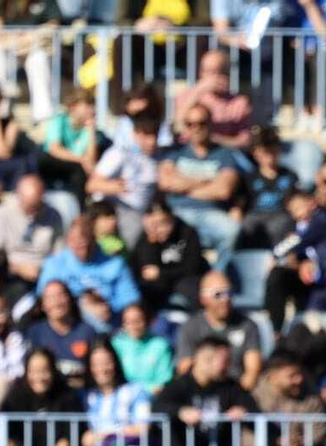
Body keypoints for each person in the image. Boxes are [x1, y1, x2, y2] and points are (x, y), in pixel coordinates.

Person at [155, 107, 242, 267]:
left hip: (211, 213)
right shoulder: (175, 152)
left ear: (210, 124)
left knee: (232, 230)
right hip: (178, 212)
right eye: (190, 124)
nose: (196, 128)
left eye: (201, 123)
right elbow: (166, 182)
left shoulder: (224, 154)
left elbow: (223, 191)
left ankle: (217, 277)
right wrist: (208, 182)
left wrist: (184, 186)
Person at [265, 183, 326, 332]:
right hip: (321, 278)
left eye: (298, 208)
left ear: (312, 203)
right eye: (292, 211)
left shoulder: (320, 220)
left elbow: (300, 241)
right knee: (312, 310)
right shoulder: (301, 226)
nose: (296, 214)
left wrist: (277, 253)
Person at [152, 335, 259, 446]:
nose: (228, 367)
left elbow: (255, 411)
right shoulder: (178, 384)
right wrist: (180, 411)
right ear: (205, 359)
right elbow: (158, 406)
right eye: (225, 361)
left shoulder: (231, 386)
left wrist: (243, 411)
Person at [177, 272, 264, 389]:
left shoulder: (247, 325)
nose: (225, 299)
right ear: (203, 299)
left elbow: (253, 370)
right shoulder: (191, 327)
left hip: (237, 391)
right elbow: (185, 368)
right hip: (202, 392)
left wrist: (236, 397)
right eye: (218, 294)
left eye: (229, 293)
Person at [87, 114, 162, 248]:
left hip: (143, 212)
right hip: (116, 208)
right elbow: (92, 185)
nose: (152, 141)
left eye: (154, 135)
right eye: (146, 135)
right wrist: (113, 187)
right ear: (135, 134)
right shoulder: (120, 154)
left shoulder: (158, 158)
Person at [37, 218, 140, 315]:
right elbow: (44, 300)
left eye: (87, 245)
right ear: (69, 240)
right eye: (78, 246)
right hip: (70, 322)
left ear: (95, 240)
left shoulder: (115, 265)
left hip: (109, 323)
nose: (84, 251)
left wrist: (107, 307)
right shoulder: (55, 265)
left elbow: (130, 303)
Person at [0, 174, 64, 286]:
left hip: (44, 274)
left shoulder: (53, 215)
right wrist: (19, 269)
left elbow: (58, 254)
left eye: (37, 206)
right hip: (9, 274)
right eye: (30, 206)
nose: (34, 212)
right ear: (18, 196)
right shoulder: (1, 214)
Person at [1, 349, 85, 446]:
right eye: (34, 371)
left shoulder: (67, 395)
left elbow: (72, 432)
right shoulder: (15, 396)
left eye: (44, 371)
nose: (39, 377)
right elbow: (6, 433)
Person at [82, 340, 152, 446]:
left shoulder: (136, 390)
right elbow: (86, 439)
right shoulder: (88, 397)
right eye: (96, 365)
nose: (102, 369)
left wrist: (109, 433)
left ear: (116, 363)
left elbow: (143, 427)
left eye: (107, 363)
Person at [25, 280, 99, 384]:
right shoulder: (35, 333)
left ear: (70, 299)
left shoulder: (88, 332)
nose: (56, 302)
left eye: (61, 295)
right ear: (42, 305)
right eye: (50, 298)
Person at [37, 89, 100, 201]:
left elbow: (91, 160)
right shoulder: (59, 120)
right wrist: (81, 159)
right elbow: (54, 149)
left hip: (74, 166)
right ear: (73, 107)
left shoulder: (90, 130)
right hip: (51, 163)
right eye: (87, 106)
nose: (92, 110)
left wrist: (91, 130)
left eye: (92, 106)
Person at [110, 303, 173, 394]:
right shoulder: (116, 345)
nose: (134, 326)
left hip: (152, 397)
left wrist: (144, 390)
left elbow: (164, 380)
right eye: (129, 322)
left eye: (138, 321)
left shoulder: (160, 345)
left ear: (147, 321)